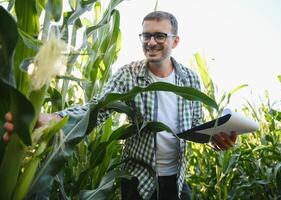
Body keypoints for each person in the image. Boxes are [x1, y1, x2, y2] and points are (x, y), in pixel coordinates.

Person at [3, 11, 237, 200]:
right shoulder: (128, 74)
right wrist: (52, 119)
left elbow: (195, 127)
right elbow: (97, 109)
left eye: (159, 36)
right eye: (146, 36)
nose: (151, 42)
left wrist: (215, 139)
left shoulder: (190, 79)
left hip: (177, 180)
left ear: (175, 41)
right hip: (138, 180)